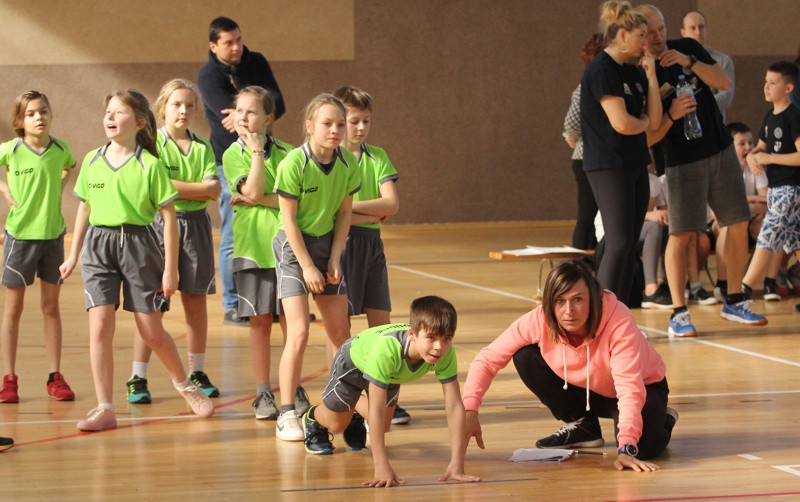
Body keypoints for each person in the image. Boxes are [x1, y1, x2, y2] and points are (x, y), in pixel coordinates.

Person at [59, 90, 214, 431]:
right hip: (99, 247)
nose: (110, 117)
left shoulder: (150, 165)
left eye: (119, 112)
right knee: (99, 326)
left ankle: (185, 385)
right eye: (108, 112)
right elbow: (84, 208)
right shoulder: (92, 160)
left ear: (140, 122)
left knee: (151, 330)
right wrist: (73, 254)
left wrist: (171, 269)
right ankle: (105, 407)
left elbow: (169, 218)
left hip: (140, 245)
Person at [462, 259, 677, 472]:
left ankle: (663, 418)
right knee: (525, 356)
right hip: (589, 389)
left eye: (578, 299)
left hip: (642, 387)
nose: (569, 311)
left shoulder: (618, 320)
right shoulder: (540, 319)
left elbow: (629, 387)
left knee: (641, 448)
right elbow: (487, 359)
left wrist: (626, 446)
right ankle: (584, 425)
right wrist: (470, 410)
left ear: (593, 298)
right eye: (560, 301)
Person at [635, 4, 766, 337]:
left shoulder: (688, 48)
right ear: (639, 35)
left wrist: (689, 61)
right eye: (651, 32)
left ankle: (734, 299)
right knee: (682, 234)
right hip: (681, 161)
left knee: (737, 222)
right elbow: (649, 136)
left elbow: (722, 81)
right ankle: (679, 312)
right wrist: (672, 115)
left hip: (719, 149)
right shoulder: (640, 72)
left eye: (662, 29)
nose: (659, 37)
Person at [301, 296, 480, 487]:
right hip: (354, 362)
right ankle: (312, 416)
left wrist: (457, 463)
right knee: (337, 425)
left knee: (384, 426)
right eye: (431, 338)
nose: (439, 347)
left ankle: (352, 408)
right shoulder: (387, 350)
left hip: (390, 373)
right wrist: (381, 466)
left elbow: (454, 406)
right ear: (412, 335)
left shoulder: (445, 353)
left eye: (447, 339)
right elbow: (376, 410)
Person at [126, 79, 222, 405]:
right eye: (177, 104)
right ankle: (138, 376)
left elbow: (213, 190)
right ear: (162, 108)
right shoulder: (151, 145)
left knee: (196, 301)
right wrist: (197, 189)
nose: (184, 110)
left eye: (189, 105)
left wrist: (180, 186)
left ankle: (198, 371)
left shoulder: (202, 147)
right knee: (152, 305)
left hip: (196, 227)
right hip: (158, 225)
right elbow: (160, 187)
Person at [272, 94, 360, 441]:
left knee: (341, 334)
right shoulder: (294, 162)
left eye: (340, 124)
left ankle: (340, 406)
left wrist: (335, 257)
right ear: (309, 126)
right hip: (294, 249)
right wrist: (307, 266)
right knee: (299, 332)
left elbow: (344, 213)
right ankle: (286, 412)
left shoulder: (347, 164)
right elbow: (288, 220)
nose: (335, 130)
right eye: (327, 123)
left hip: (328, 246)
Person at [197, 16, 285, 326]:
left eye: (239, 40)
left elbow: (277, 102)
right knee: (233, 233)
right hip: (230, 158)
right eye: (228, 43)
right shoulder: (208, 76)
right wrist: (247, 113)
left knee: (276, 225)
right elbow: (232, 120)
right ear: (213, 46)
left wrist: (241, 113)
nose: (236, 47)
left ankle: (278, 301)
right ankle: (233, 304)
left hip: (266, 154)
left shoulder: (256, 61)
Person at [332, 85, 410, 425]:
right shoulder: (332, 160)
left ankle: (388, 399)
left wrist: (347, 210)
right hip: (340, 246)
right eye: (354, 121)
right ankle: (341, 399)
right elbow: (328, 210)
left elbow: (391, 204)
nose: (361, 128)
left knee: (383, 326)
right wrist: (366, 213)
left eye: (366, 120)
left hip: (371, 247)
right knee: (340, 330)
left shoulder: (377, 156)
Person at [580, 0, 662, 308]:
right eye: (641, 35)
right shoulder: (601, 69)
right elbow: (623, 123)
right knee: (618, 241)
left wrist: (651, 77)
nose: (646, 42)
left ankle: (619, 312)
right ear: (623, 35)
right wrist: (642, 123)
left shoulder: (634, 72)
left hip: (635, 163)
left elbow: (654, 120)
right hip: (608, 166)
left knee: (629, 244)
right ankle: (598, 313)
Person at [222, 86, 296, 420]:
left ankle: (292, 386)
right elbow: (252, 188)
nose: (242, 117)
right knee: (260, 323)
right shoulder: (232, 154)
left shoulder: (289, 153)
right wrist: (255, 153)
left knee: (290, 323)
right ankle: (263, 392)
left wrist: (259, 199)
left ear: (268, 118)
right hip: (252, 249)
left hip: (286, 248)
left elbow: (290, 200)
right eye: (239, 111)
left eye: (250, 112)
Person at [0, 91, 76, 403]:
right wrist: (4, 189)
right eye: (30, 113)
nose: (38, 117)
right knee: (13, 309)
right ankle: (9, 379)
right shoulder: (11, 150)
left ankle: (54, 377)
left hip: (53, 236)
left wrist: (60, 184)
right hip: (19, 237)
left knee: (50, 308)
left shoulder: (61, 149)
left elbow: (70, 166)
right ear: (20, 120)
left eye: (43, 111)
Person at [740, 62, 800, 310]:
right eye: (765, 82)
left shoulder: (794, 116)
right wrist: (752, 156)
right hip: (776, 188)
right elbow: (761, 147)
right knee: (796, 242)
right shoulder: (769, 116)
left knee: (769, 232)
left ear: (788, 88)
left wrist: (770, 159)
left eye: (773, 83)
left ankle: (742, 290)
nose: (766, 87)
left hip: (791, 188)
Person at [712, 123, 768, 301]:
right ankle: (722, 283)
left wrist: (743, 203)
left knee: (773, 223)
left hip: (750, 222)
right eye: (742, 144)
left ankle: (770, 281)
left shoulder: (756, 168)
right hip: (722, 223)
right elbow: (718, 213)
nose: (748, 148)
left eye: (751, 143)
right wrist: (751, 201)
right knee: (727, 225)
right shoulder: (722, 170)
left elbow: (768, 201)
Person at [564, 34, 604, 251]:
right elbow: (571, 122)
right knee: (588, 216)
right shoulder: (587, 86)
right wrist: (573, 135)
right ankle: (579, 264)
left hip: (596, 158)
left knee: (596, 216)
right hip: (586, 157)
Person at [680, 11, 735, 123]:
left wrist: (694, 105)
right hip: (685, 125)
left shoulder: (722, 60)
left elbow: (726, 97)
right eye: (693, 28)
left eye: (701, 27)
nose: (698, 32)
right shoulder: (677, 60)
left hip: (714, 125)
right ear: (683, 32)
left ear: (706, 29)